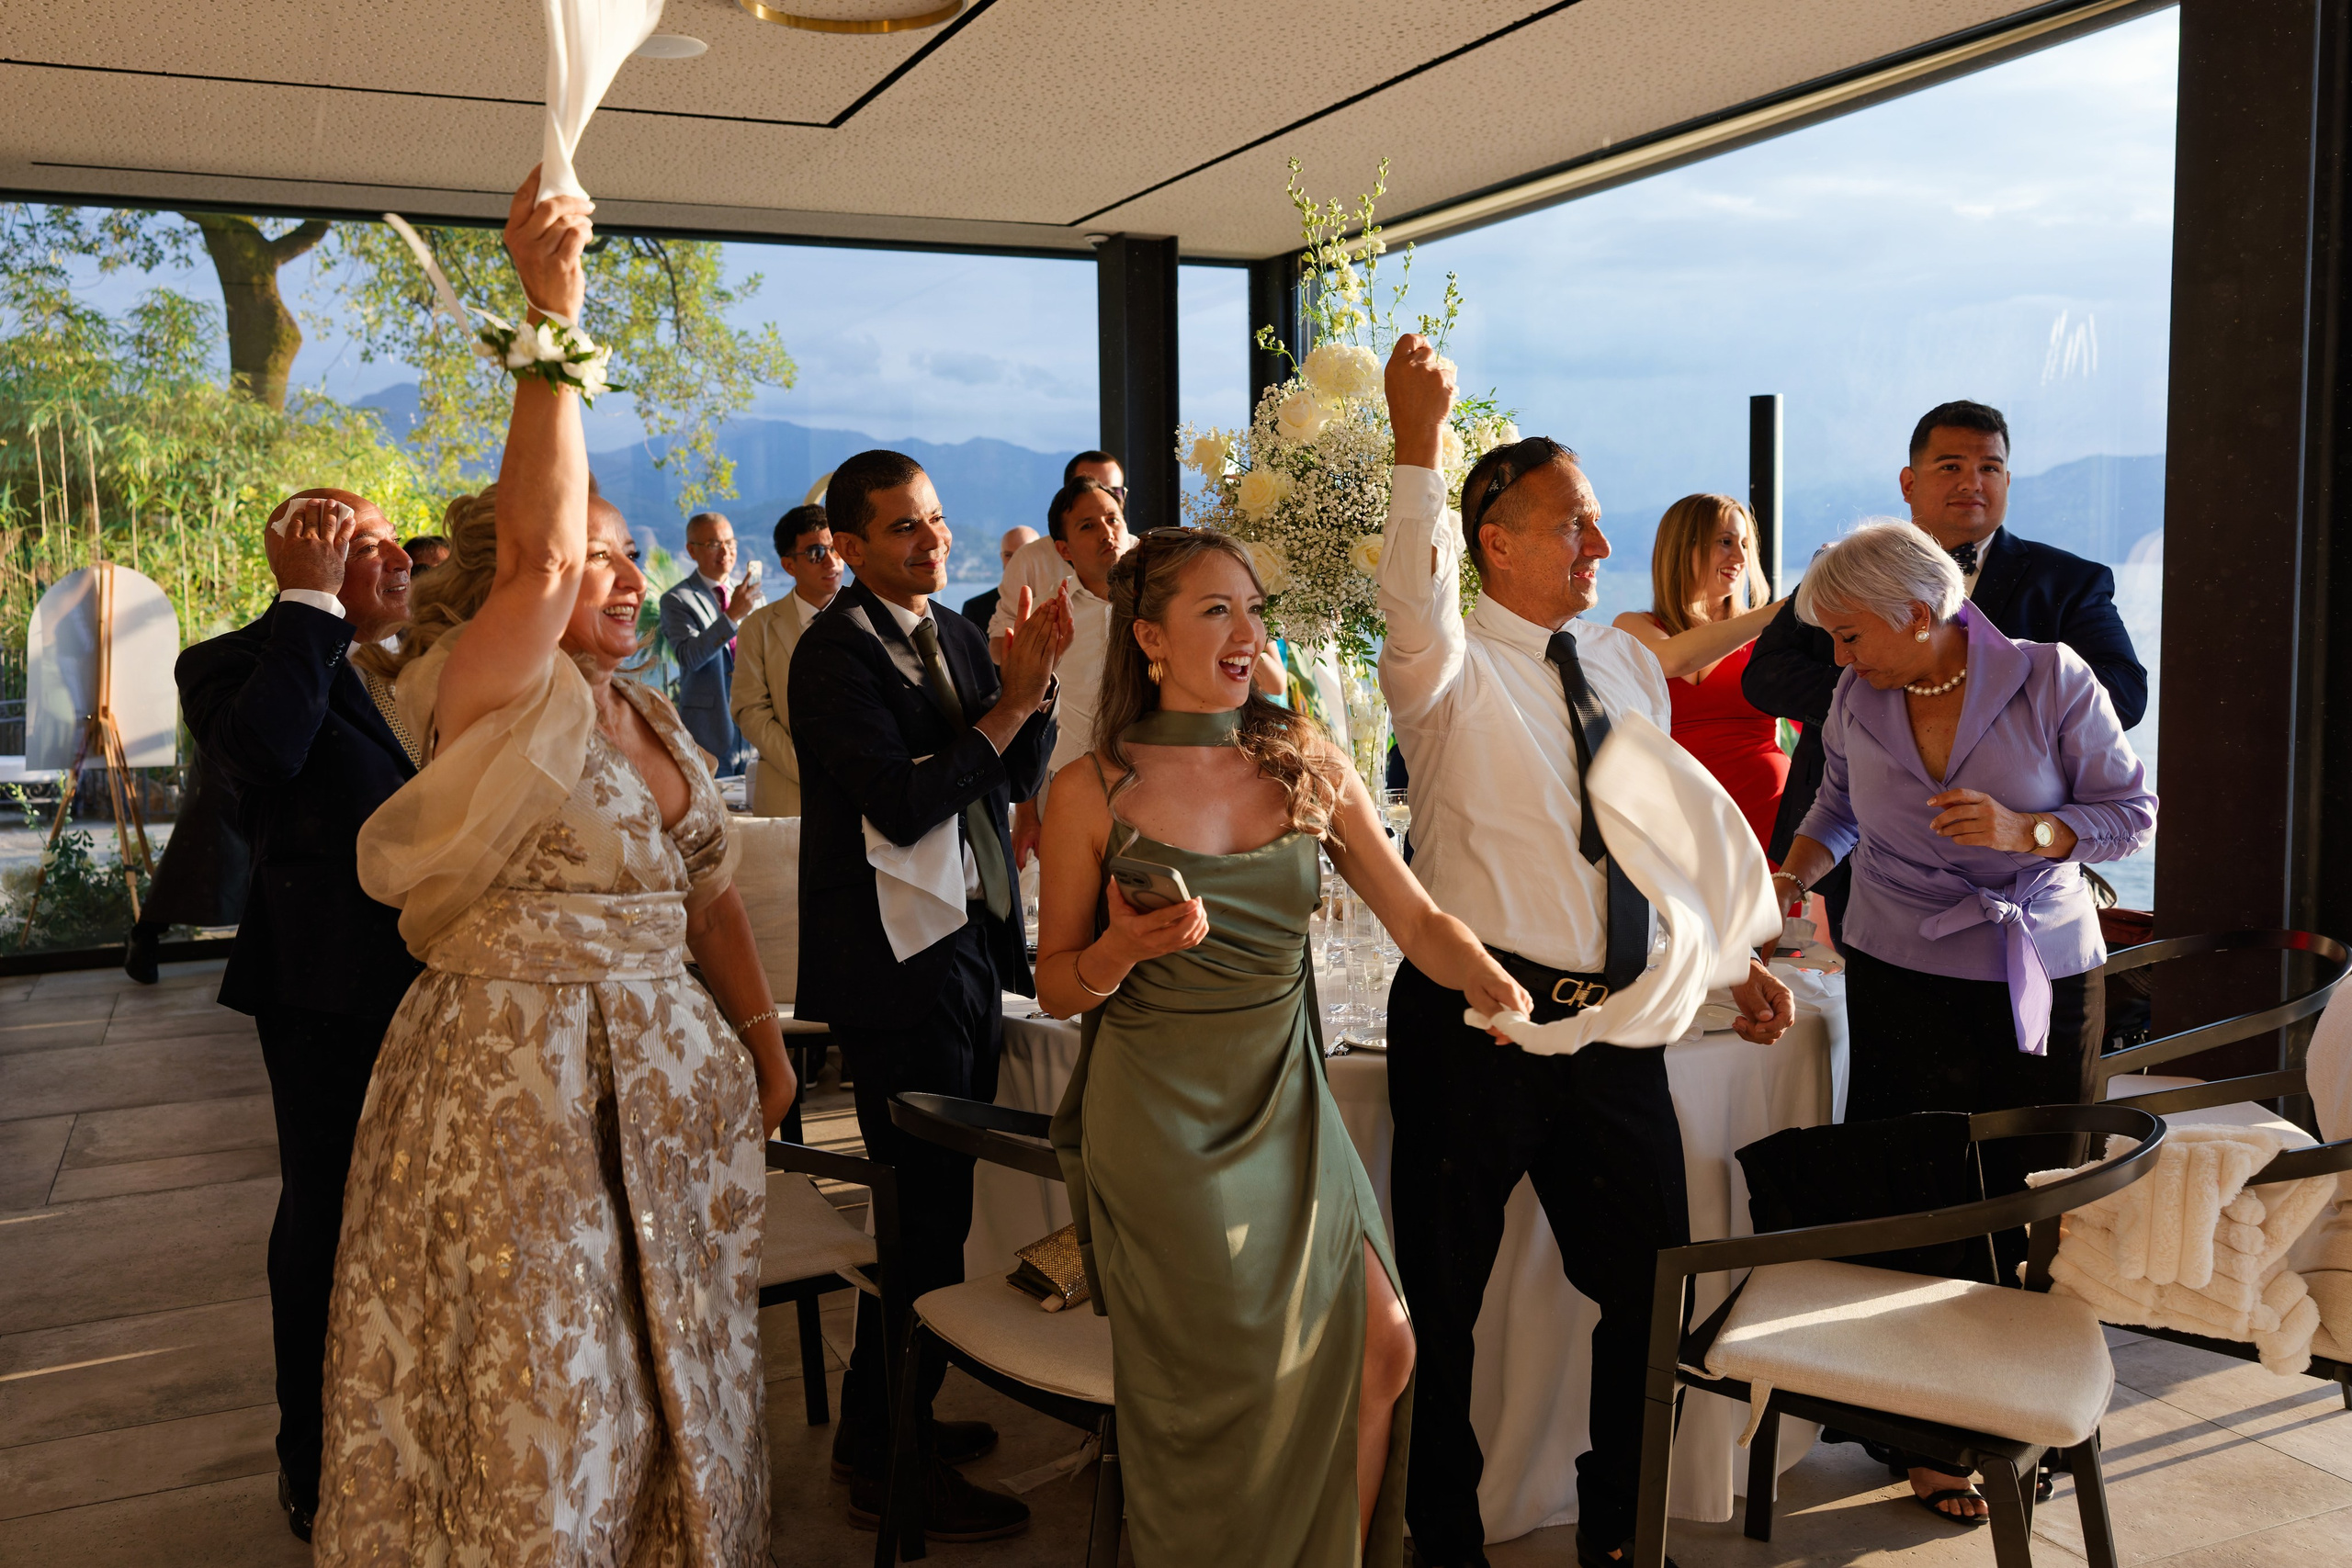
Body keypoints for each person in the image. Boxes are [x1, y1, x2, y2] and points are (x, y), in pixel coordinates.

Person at [314, 169, 794, 1563]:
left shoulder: (647, 714)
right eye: (600, 561)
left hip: (676, 1095)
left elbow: (707, 889)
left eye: (632, 555)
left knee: (668, 1383)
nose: (625, 578)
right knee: (544, 1389)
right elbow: (530, 552)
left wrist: (760, 1043)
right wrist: (552, 314)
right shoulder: (487, 700)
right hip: (515, 1096)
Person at [1374, 336, 1795, 1568]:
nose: (1599, 550)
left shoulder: (1620, 662)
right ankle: (1442, 1534)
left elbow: (1655, 837)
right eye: (1573, 526)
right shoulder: (1440, 670)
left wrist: (1729, 959)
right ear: (1493, 540)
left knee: (1650, 1289)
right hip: (1474, 1023)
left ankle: (1623, 1528)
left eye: (1601, 525)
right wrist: (1417, 445)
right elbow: (1412, 591)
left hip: (1615, 1033)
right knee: (1443, 1305)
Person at [1034, 527, 1529, 1565]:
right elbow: (1056, 987)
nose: (1244, 631)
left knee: (1381, 1348)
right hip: (1159, 1119)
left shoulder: (1308, 762)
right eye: (1215, 609)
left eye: (1252, 609)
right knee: (1232, 1386)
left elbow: (1416, 918)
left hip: (1288, 1101)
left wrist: (1479, 969)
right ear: (1149, 638)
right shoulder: (1090, 790)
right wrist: (1121, 949)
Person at [1768, 520, 2154, 1524]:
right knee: (1914, 1190)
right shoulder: (1858, 695)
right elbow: (1834, 811)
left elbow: (2130, 809)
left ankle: (2025, 1412)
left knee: (2026, 1194)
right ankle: (1924, 1436)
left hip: (2038, 971)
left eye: (1850, 636)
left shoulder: (2051, 676)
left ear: (1917, 611)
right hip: (1897, 968)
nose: (1838, 660)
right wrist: (1790, 877)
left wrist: (2030, 830)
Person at [788, 446, 1071, 1539]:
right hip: (891, 963)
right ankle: (893, 1465)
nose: (932, 540)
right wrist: (1008, 710)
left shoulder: (954, 630)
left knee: (940, 1216)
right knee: (922, 1219)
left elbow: (1002, 777)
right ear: (847, 549)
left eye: (938, 520)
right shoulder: (830, 659)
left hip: (969, 943)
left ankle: (885, 1422)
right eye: (905, 528)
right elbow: (904, 808)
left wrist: (1032, 695)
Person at [174, 487, 421, 1542]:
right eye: (362, 548)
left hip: (449, 980)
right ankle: (312, 1459)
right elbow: (267, 757)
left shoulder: (426, 664)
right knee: (326, 1217)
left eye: (392, 540)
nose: (397, 560)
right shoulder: (230, 663)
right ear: (301, 559)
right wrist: (309, 608)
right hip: (329, 988)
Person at [1744, 400, 2146, 939]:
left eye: (1990, 468)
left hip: (2016, 885)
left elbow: (2126, 689)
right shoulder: (1846, 572)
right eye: (1951, 466)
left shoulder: (2067, 583)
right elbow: (1765, 673)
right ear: (1908, 482)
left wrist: (1999, 706)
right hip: (1859, 855)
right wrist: (1886, 694)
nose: (1972, 483)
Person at [1612, 494, 1790, 854]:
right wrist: (1785, 611)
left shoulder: (1771, 638)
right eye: (1725, 542)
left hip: (1767, 819)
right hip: (1673, 829)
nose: (1740, 558)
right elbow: (1672, 659)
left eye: (1744, 544)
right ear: (1683, 547)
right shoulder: (1634, 627)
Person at [1007, 476, 1133, 866]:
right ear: (1064, 549)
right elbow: (1024, 715)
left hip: (1153, 783)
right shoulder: (1051, 616)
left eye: (1113, 519)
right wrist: (1027, 816)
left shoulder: (1162, 603)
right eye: (1088, 526)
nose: (1106, 533)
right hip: (1066, 788)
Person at [731, 502, 842, 816]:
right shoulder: (759, 626)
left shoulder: (870, 617)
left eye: (836, 549)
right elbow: (750, 711)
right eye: (815, 553)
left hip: (866, 794)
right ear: (789, 565)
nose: (831, 562)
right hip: (789, 795)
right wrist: (808, 768)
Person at [989, 449, 1126, 660]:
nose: (1095, 493)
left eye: (1113, 491)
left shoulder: (1149, 565)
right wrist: (1036, 653)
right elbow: (1002, 640)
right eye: (1088, 525)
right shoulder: (1030, 563)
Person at [660, 508, 763, 772]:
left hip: (754, 731)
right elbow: (689, 657)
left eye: (730, 543)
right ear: (692, 551)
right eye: (714, 544)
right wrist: (731, 617)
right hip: (708, 731)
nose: (725, 551)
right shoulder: (677, 599)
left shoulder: (754, 598)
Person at [960, 525, 1039, 630]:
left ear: (1039, 557)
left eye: (1022, 554)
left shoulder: (1056, 601)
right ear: (1001, 557)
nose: (1014, 562)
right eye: (1008, 555)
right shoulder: (975, 609)